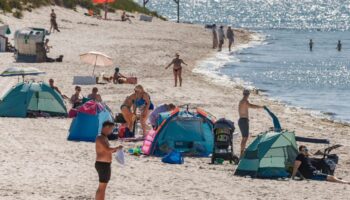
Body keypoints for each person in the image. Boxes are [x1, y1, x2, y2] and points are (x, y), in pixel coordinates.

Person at [95, 121, 123, 200]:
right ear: (106, 127)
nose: (111, 131)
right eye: (111, 129)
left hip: (105, 164)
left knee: (103, 187)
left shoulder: (104, 137)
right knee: (102, 187)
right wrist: (117, 147)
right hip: (102, 164)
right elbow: (107, 149)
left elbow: (107, 150)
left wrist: (116, 150)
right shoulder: (100, 137)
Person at [238, 89, 264, 157]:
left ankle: (242, 152)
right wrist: (260, 107)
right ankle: (241, 153)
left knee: (244, 137)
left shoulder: (242, 101)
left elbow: (250, 106)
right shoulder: (245, 101)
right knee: (245, 137)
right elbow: (251, 106)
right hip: (243, 121)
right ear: (248, 95)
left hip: (242, 120)